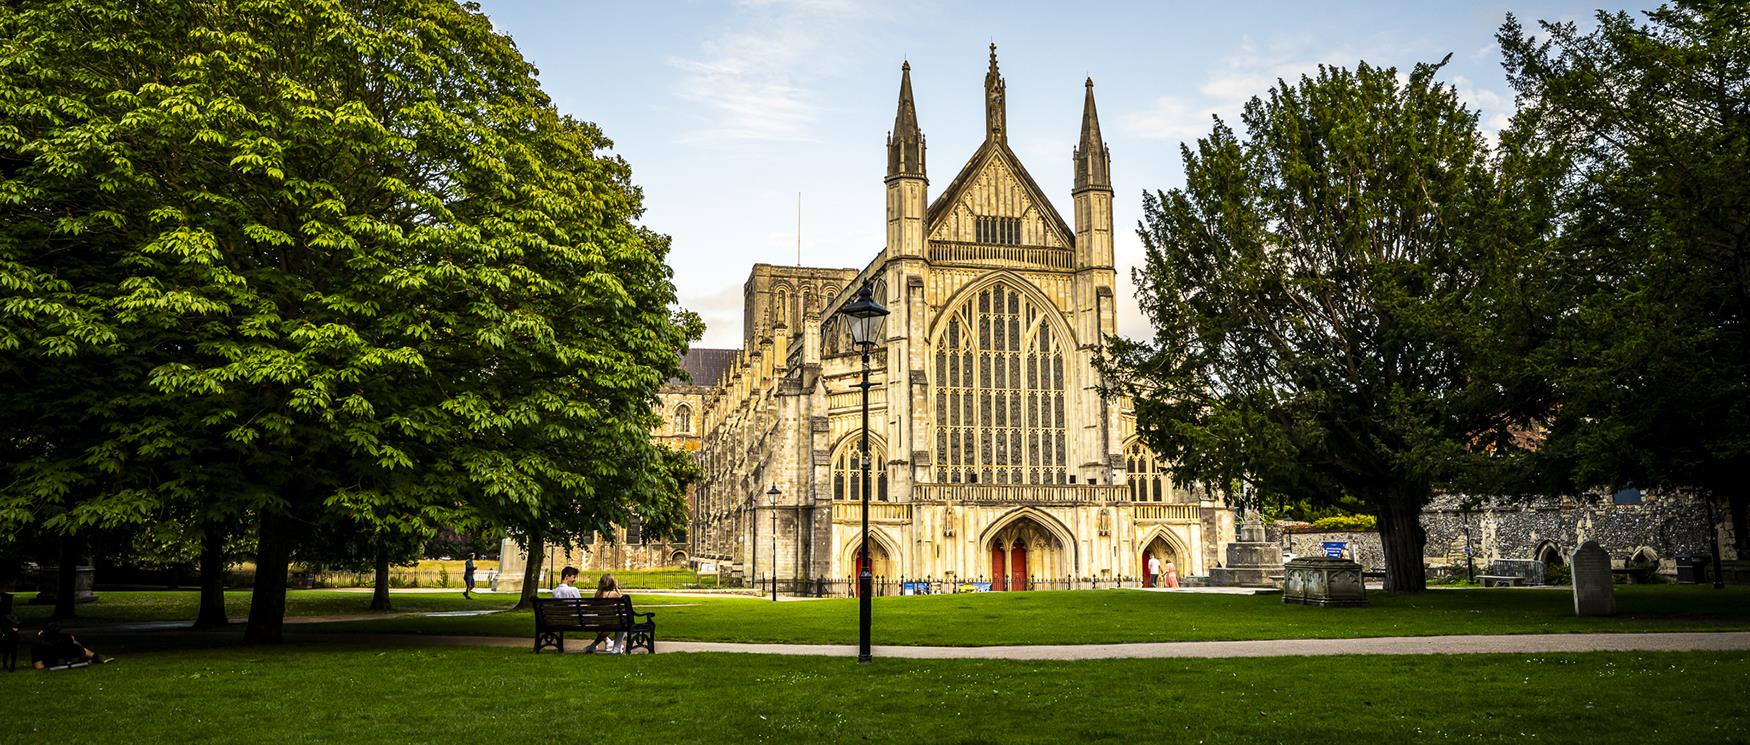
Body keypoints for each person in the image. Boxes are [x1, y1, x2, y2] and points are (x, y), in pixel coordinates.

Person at [31, 622, 111, 670]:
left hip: (54, 662)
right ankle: (96, 657)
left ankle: (94, 657)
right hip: (72, 658)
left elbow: (39, 666)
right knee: (81, 649)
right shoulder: (67, 638)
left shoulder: (38, 643)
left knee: (79, 649)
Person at [582, 574, 625, 654]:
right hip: (610, 621)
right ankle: (616, 647)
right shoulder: (613, 594)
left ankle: (594, 646)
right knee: (624, 622)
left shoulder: (597, 594)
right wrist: (616, 588)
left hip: (599, 621)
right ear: (612, 583)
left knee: (609, 626)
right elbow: (623, 600)